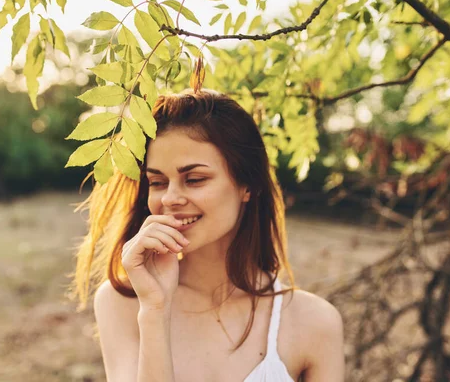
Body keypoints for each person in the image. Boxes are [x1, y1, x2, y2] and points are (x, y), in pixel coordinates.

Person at [71, 90, 345, 382]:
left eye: (195, 179)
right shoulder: (123, 303)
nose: (171, 199)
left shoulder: (314, 322)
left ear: (247, 186)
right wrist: (155, 311)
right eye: (158, 182)